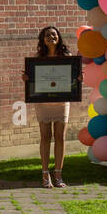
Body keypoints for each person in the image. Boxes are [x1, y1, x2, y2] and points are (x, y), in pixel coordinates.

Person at [20, 26, 73, 188]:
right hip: (43, 101)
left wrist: (78, 77)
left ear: (59, 37)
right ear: (43, 40)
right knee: (45, 136)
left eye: (54, 34)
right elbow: (34, 80)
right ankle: (45, 175)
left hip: (62, 101)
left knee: (60, 137)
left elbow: (72, 79)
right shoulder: (38, 58)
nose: (51, 37)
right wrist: (27, 78)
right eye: (47, 35)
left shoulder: (67, 56)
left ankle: (58, 175)